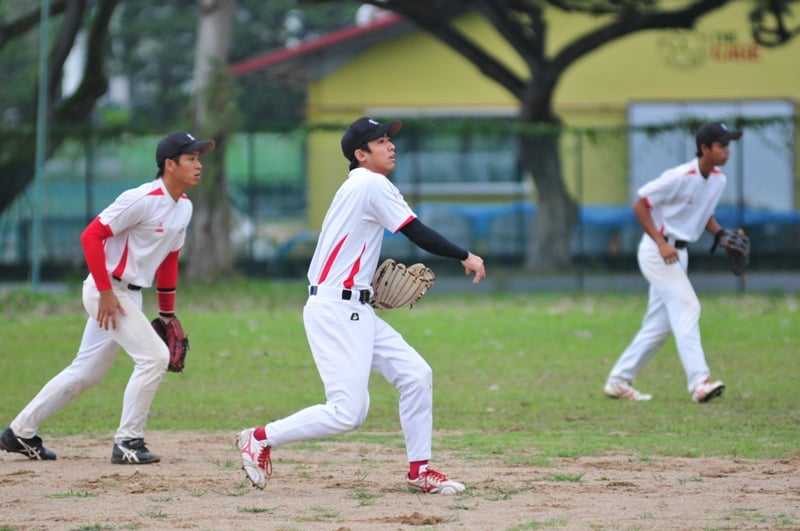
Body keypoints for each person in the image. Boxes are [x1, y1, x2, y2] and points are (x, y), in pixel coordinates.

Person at [237, 117, 486, 494]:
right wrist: (464, 255)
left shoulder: (358, 185)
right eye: (381, 141)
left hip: (352, 307)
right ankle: (258, 438)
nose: (391, 146)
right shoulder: (371, 183)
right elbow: (415, 231)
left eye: (390, 139)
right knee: (348, 412)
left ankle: (420, 470)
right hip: (338, 310)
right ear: (360, 154)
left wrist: (364, 290)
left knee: (416, 376)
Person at [0, 131, 215, 463]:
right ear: (170, 165)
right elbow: (91, 235)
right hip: (107, 290)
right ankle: (128, 442)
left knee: (86, 372)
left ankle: (19, 432)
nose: (198, 165)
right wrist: (104, 292)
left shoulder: (183, 208)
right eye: (191, 158)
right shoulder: (142, 199)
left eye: (199, 158)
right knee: (154, 357)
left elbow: (170, 259)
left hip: (129, 295)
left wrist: (167, 314)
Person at [604, 121, 742, 403]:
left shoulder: (718, 180)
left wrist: (721, 234)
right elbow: (640, 203)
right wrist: (661, 242)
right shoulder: (680, 176)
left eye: (728, 145)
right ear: (704, 148)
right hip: (658, 252)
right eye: (721, 145)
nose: (727, 151)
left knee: (660, 324)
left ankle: (618, 380)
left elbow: (702, 214)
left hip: (679, 253)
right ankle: (699, 382)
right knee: (688, 306)